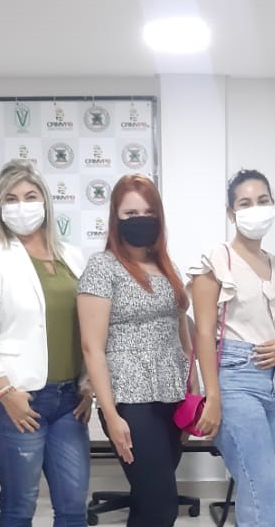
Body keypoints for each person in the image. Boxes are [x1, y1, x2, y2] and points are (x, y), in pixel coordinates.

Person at [0, 160, 92, 527]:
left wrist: (88, 384)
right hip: (18, 398)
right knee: (20, 506)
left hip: (70, 400)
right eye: (11, 198)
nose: (22, 205)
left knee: (73, 507)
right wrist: (5, 393)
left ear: (45, 201)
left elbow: (87, 325)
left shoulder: (72, 256)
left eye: (30, 196)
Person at [77, 173, 196, 527]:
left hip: (172, 395)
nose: (140, 219)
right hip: (130, 401)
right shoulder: (102, 267)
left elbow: (181, 330)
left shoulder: (166, 266)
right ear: (115, 218)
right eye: (130, 213)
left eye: (148, 212)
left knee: (148, 505)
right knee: (162, 508)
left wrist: (192, 388)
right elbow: (91, 347)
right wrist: (111, 415)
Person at [188, 169, 275, 527]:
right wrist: (213, 396)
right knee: (263, 492)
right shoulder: (215, 259)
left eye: (263, 201)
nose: (256, 209)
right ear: (231, 212)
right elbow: (204, 333)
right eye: (245, 203)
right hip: (236, 380)